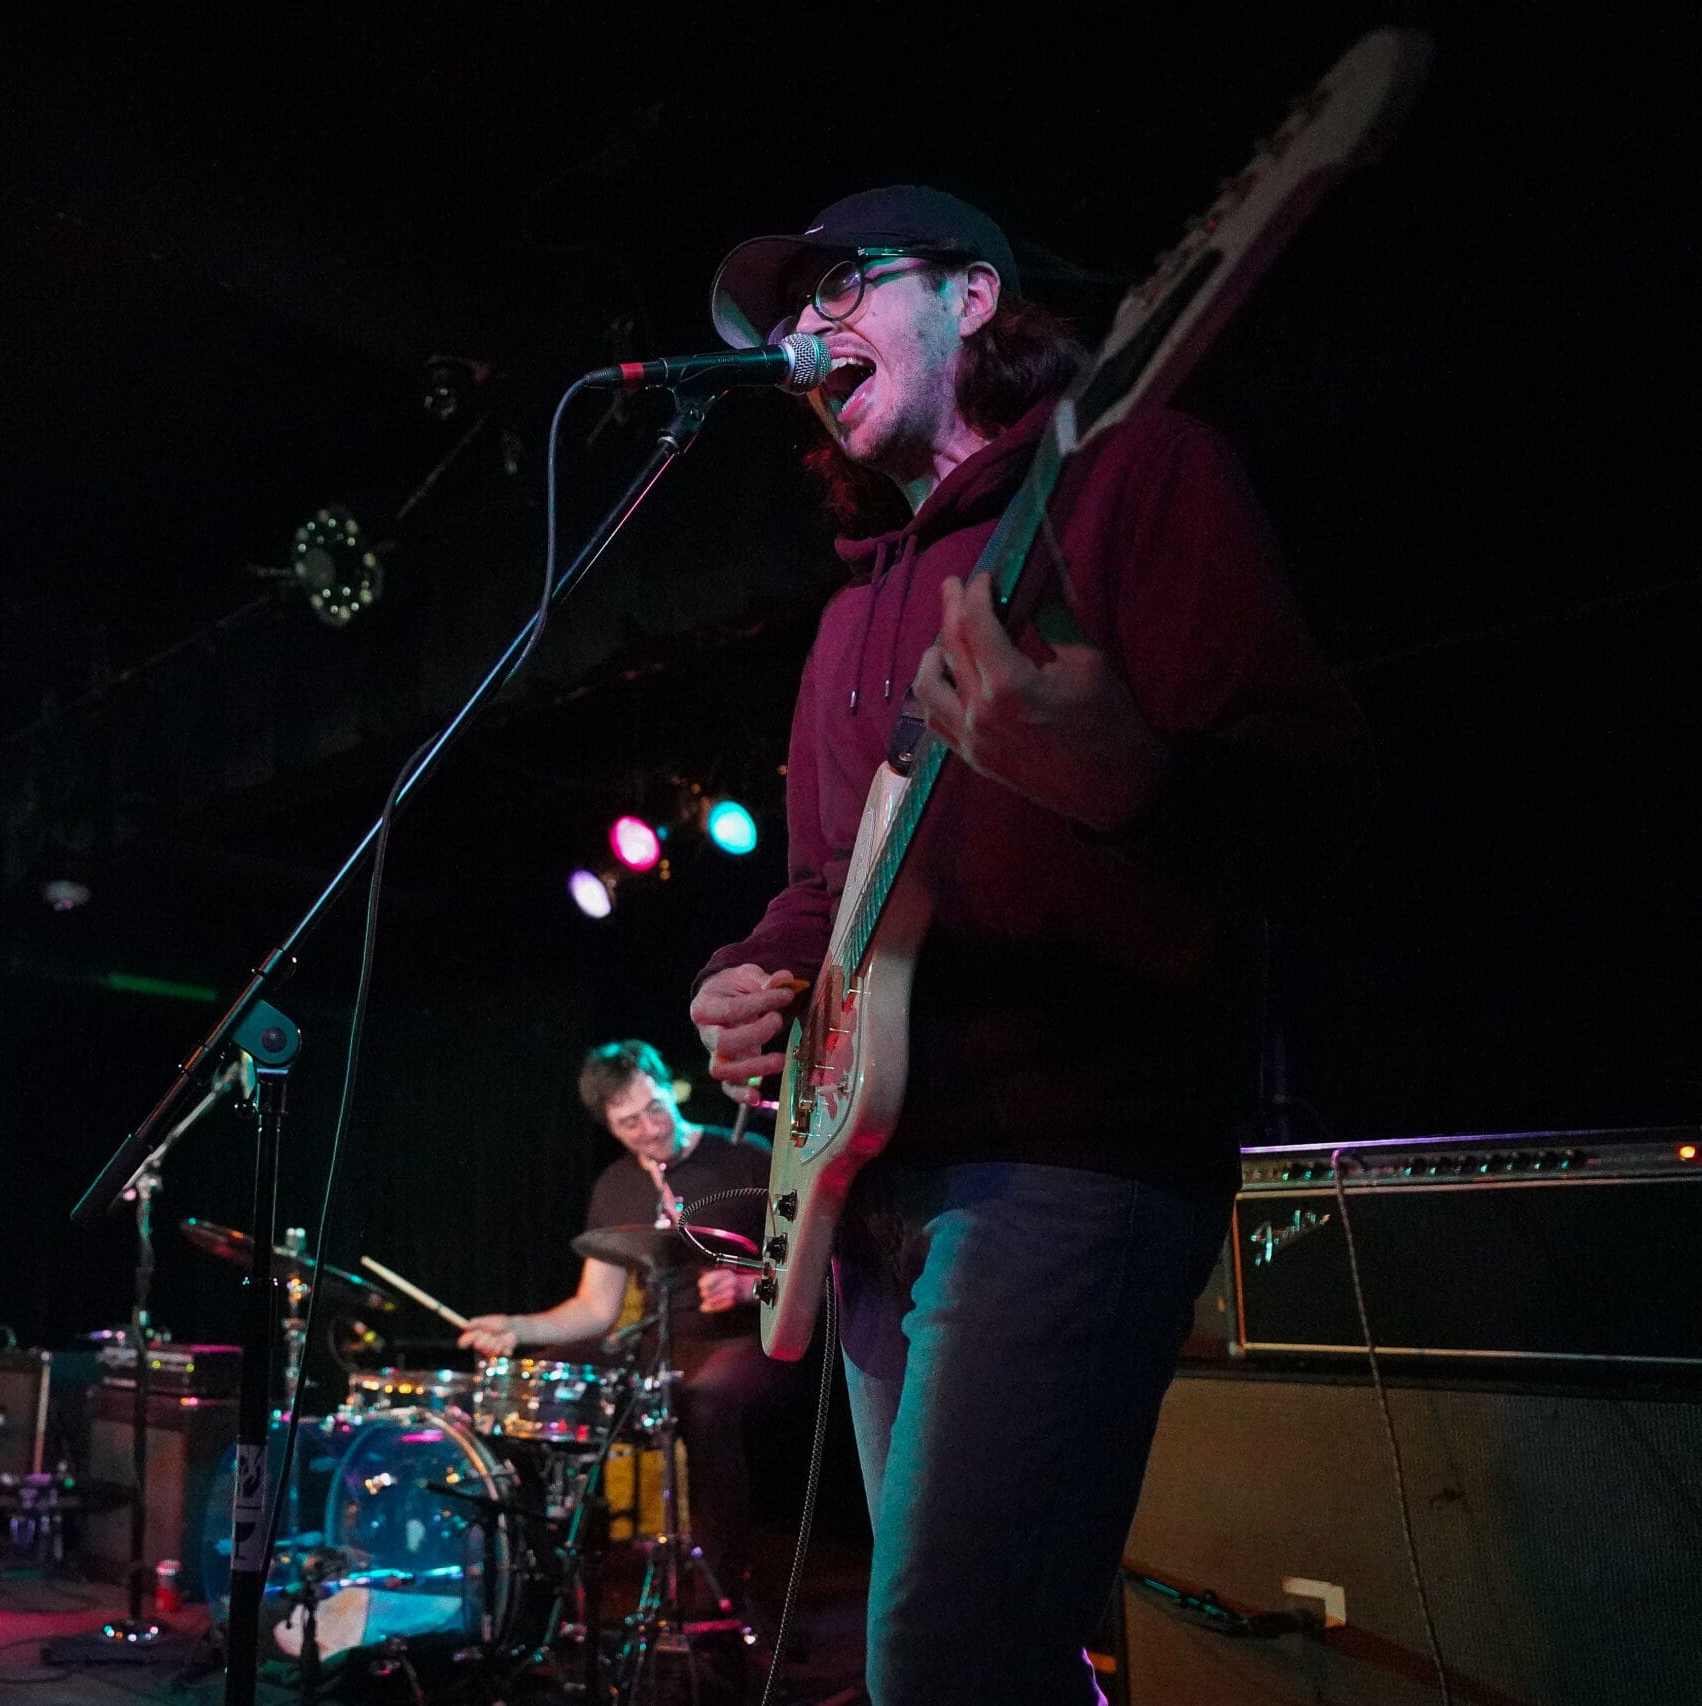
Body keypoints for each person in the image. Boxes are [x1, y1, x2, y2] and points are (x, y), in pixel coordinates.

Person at [685, 186, 1367, 1703]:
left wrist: (1132, 778)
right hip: (872, 1185)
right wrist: (741, 983)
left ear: (975, 297)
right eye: (790, 320)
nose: (807, 334)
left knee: (940, 1664)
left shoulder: (1136, 473)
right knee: (981, 1667)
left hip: (1073, 1152)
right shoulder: (849, 613)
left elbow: (1318, 808)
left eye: (841, 287)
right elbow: (821, 890)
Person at [459, 1039, 801, 1613]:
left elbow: (815, 1260)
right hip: (657, 1340)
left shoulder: (747, 1156)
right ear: (609, 1126)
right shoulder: (616, 1185)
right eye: (628, 1122)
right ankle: (548, 1584)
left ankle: (719, 1601)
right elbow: (595, 1308)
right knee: (536, 1386)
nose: (648, 1127)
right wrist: (517, 1328)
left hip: (747, 1339)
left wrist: (751, 1285)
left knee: (703, 1401)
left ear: (668, 1086)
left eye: (655, 1107)